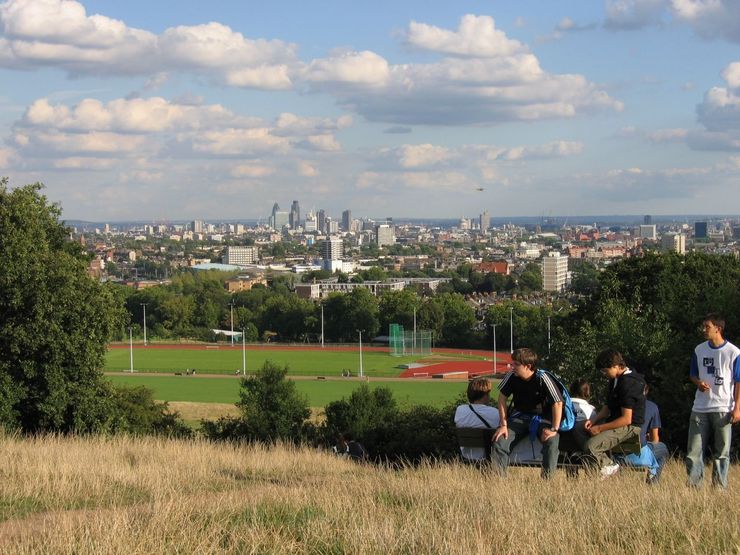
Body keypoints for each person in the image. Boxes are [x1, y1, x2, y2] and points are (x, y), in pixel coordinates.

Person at [685, 313, 740, 489]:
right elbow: (693, 374)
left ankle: (719, 489)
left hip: (723, 408)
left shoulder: (734, 352)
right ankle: (694, 487)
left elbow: (738, 382)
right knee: (694, 451)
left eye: (707, 326)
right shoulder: (698, 350)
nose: (703, 330)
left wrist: (737, 408)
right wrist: (698, 383)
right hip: (700, 408)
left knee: (722, 452)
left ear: (718, 328)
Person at [492, 348, 564, 479]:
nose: (512, 367)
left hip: (542, 419)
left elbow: (558, 403)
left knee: (552, 441)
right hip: (520, 417)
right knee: (500, 441)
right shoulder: (511, 376)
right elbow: (501, 398)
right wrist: (503, 425)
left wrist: (554, 428)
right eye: (512, 363)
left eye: (516, 364)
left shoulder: (543, 377)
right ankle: (498, 480)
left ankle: (547, 482)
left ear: (528, 366)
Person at [584, 349, 646, 479]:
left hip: (630, 426)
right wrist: (594, 421)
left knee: (591, 446)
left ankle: (610, 466)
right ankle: (599, 473)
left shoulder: (628, 383)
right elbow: (607, 408)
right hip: (617, 421)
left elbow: (626, 419)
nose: (604, 374)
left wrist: (600, 428)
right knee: (582, 433)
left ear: (616, 366)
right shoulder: (615, 379)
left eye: (605, 370)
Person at [454, 377, 500, 461]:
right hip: (488, 455)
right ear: (485, 395)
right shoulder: (495, 412)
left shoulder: (460, 409)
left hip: (466, 454)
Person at [641, 383, 669, 482]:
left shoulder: (620, 405)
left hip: (617, 454)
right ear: (646, 391)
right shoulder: (652, 407)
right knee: (663, 449)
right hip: (639, 454)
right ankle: (652, 483)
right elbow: (654, 438)